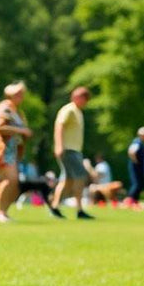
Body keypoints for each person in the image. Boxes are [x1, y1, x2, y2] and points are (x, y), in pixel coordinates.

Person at [0, 82, 33, 223]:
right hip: (1, 150)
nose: (21, 96)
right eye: (18, 93)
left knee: (14, 183)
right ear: (10, 94)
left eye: (22, 93)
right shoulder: (4, 108)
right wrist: (21, 130)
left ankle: (4, 212)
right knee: (9, 180)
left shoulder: (17, 111)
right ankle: (0, 213)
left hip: (13, 152)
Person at [51, 86, 93, 220]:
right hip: (68, 149)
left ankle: (55, 206)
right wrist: (59, 146)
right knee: (80, 177)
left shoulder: (77, 112)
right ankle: (79, 209)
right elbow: (59, 126)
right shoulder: (69, 110)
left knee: (67, 180)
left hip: (74, 150)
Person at [124, 127, 144, 210]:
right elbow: (131, 152)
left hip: (139, 167)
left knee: (140, 184)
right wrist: (136, 161)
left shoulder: (140, 143)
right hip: (136, 168)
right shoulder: (137, 142)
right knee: (136, 184)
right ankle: (129, 201)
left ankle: (135, 202)